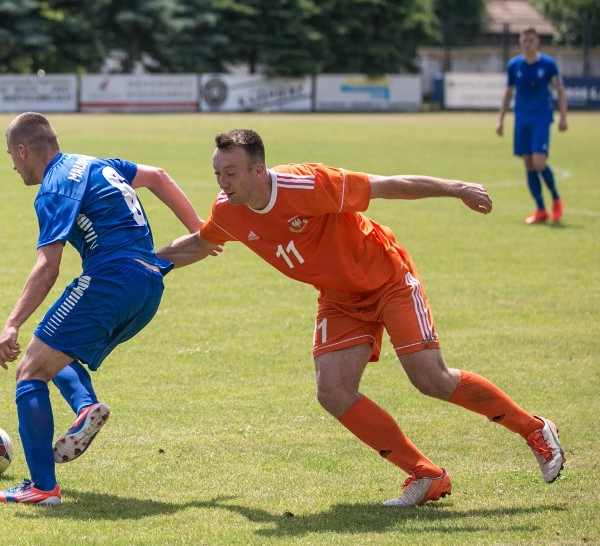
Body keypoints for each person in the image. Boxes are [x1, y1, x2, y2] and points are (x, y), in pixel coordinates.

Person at [156, 129, 566, 507]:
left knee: (431, 379)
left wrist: (456, 189)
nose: (222, 184)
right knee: (332, 390)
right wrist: (140, 264)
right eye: (216, 174)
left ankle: (533, 429)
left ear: (258, 170)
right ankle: (426, 476)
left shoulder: (308, 183)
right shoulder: (230, 210)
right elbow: (198, 244)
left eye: (230, 173)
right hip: (340, 298)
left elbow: (387, 185)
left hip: (387, 277)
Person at [0, 112, 204, 505]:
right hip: (149, 283)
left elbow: (48, 266)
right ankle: (86, 407)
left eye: (11, 155)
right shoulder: (96, 164)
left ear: (23, 150)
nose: (12, 165)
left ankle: (42, 487)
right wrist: (200, 232)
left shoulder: (53, 188)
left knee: (29, 371)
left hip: (110, 282)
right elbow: (158, 175)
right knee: (51, 349)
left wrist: (11, 323)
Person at [496, 27, 568, 224]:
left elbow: (560, 90)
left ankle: (555, 198)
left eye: (531, 40)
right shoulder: (514, 65)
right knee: (528, 163)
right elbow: (508, 92)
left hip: (541, 118)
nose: (528, 43)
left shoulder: (548, 64)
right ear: (520, 42)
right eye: (524, 40)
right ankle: (541, 209)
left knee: (538, 162)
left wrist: (563, 117)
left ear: (537, 42)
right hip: (522, 119)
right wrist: (500, 119)